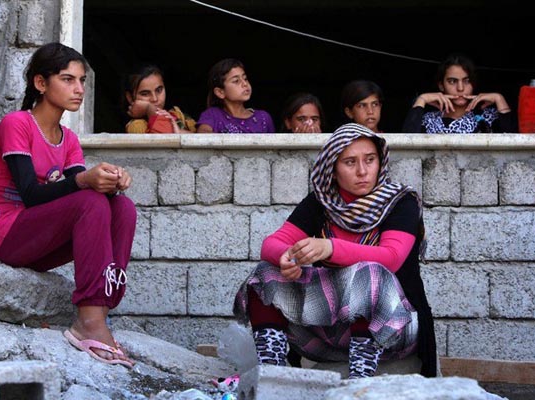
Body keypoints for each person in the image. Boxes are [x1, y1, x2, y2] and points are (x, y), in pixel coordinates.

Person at [0, 42, 137, 368]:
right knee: (89, 201)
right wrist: (86, 182)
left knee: (122, 208)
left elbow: (85, 192)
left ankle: (101, 308)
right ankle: (88, 322)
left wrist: (112, 181)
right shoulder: (17, 124)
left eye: (82, 81)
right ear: (41, 83)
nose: (79, 89)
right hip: (2, 234)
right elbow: (31, 195)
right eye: (67, 79)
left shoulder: (69, 139)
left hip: (36, 238)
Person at [233, 123, 437, 379]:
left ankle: (359, 380)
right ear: (333, 168)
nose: (362, 171)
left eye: (370, 160)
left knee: (370, 273)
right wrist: (287, 257)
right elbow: (271, 244)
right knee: (265, 273)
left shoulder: (399, 202)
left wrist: (329, 248)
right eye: (350, 162)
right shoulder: (322, 203)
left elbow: (391, 258)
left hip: (395, 328)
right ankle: (272, 375)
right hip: (331, 336)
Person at [402, 53, 516, 133]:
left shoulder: (489, 117)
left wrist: (499, 98)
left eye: (467, 81)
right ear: (441, 85)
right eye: (452, 81)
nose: (460, 88)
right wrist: (422, 99)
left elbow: (515, 146)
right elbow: (406, 145)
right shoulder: (428, 120)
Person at [196, 58, 275, 133]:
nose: (245, 83)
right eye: (236, 81)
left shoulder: (263, 118)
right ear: (220, 92)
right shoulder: (213, 115)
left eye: (245, 78)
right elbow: (203, 135)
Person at [124, 64, 196, 133]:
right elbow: (166, 135)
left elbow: (200, 137)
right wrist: (148, 108)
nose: (155, 99)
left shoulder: (178, 115)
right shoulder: (136, 126)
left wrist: (179, 131)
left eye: (159, 90)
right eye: (145, 94)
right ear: (129, 97)